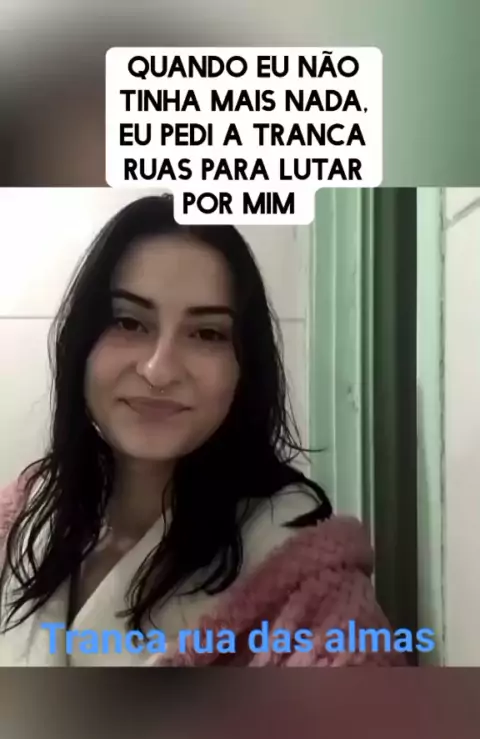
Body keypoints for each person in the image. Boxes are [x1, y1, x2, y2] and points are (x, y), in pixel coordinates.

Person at [0, 194, 403, 667]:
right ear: (81, 344)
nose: (159, 370)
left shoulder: (319, 597)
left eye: (206, 333)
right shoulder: (21, 518)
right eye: (129, 322)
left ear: (244, 368)